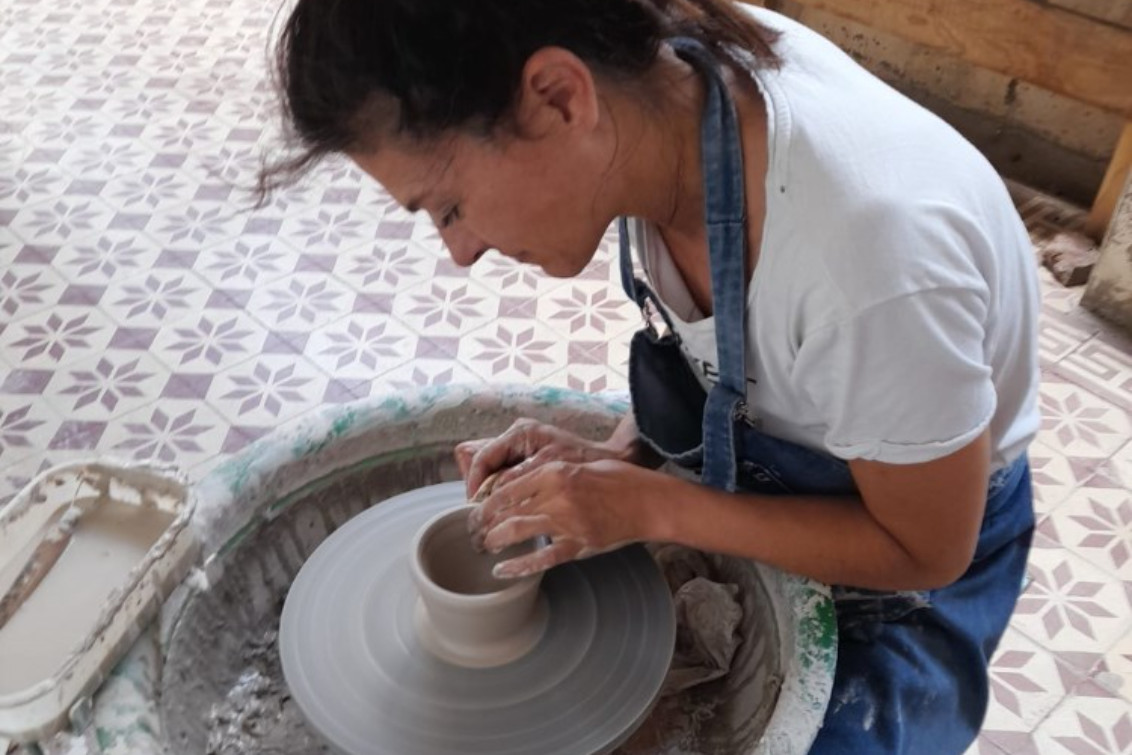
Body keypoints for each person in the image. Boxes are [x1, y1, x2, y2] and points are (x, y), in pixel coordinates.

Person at [260, 0, 1040, 752]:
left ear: (560, 98)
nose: (458, 252)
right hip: (823, 453)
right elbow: (748, 352)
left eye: (450, 207)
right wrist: (620, 454)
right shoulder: (656, 90)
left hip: (917, 567)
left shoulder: (868, 261)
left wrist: (657, 507)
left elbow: (927, 548)